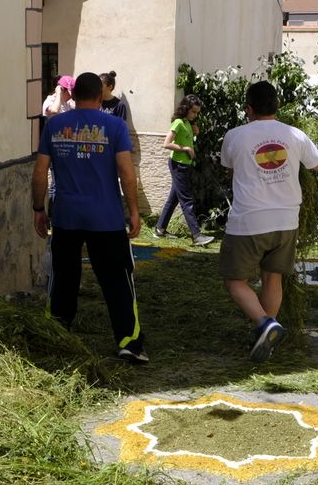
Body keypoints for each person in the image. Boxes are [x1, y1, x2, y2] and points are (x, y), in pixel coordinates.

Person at [32, 72, 147, 363]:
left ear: (74, 95)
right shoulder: (115, 125)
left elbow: (39, 172)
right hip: (106, 219)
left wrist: (38, 209)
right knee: (117, 280)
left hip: (66, 216)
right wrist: (133, 211)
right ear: (99, 97)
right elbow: (126, 172)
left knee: (63, 277)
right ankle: (128, 342)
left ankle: (56, 334)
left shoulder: (54, 125)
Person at [219, 81, 318, 361]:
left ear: (248, 109)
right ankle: (266, 334)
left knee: (234, 280)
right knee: (273, 276)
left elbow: (230, 168)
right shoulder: (294, 134)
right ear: (277, 106)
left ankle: (265, 323)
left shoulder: (235, 135)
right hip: (286, 220)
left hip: (249, 220)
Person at [155, 94, 214, 247]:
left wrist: (194, 124)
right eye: (194, 112)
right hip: (178, 164)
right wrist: (185, 148)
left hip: (185, 164)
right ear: (186, 109)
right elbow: (166, 143)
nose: (196, 115)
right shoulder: (178, 123)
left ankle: (159, 229)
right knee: (187, 200)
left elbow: (195, 133)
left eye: (197, 112)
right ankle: (196, 235)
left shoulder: (187, 122)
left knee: (173, 198)